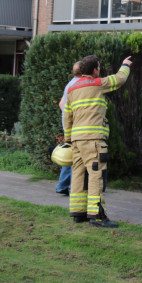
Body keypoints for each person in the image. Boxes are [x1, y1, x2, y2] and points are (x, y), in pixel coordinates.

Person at [64, 54, 132, 228]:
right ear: (95, 71)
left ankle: (78, 213)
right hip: (93, 140)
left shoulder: (72, 89)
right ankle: (98, 216)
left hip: (77, 141)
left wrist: (68, 138)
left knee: (78, 175)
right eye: (99, 68)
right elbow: (120, 79)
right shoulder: (98, 84)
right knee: (96, 176)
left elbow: (67, 115)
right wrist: (125, 65)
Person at [55, 62, 82, 195]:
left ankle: (62, 185)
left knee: (70, 155)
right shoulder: (80, 85)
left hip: (69, 125)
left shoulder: (70, 84)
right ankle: (72, 187)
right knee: (76, 157)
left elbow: (62, 104)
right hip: (76, 127)